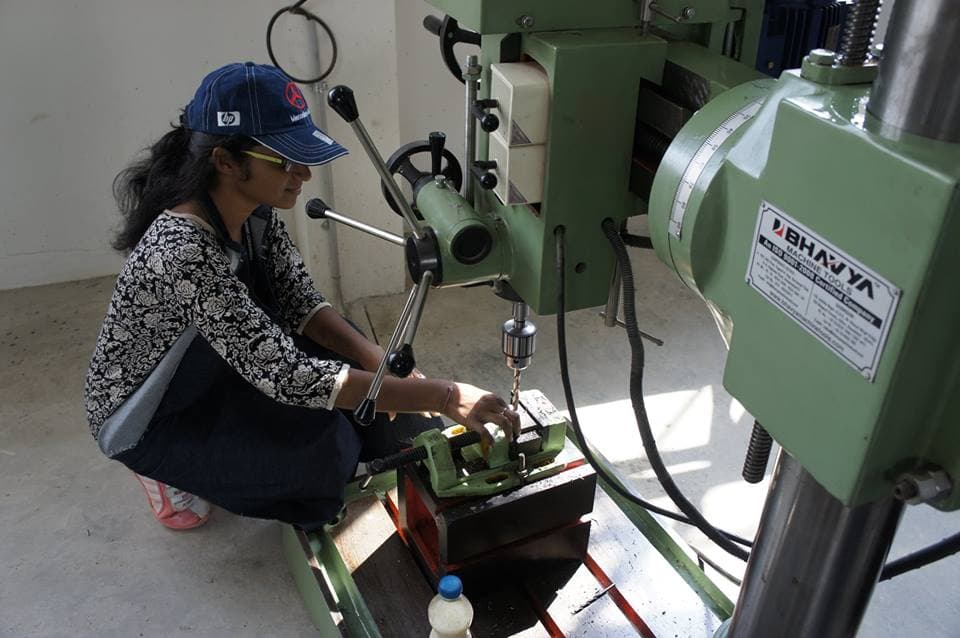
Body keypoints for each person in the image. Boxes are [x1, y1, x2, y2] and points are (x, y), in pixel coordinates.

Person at [84, 62, 520, 531]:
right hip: (156, 414)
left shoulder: (254, 212)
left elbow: (302, 306)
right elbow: (288, 376)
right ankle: (162, 471)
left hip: (226, 358)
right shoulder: (181, 250)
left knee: (389, 426)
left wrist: (375, 358)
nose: (304, 175)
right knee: (321, 460)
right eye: (286, 161)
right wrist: (446, 394)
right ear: (225, 161)